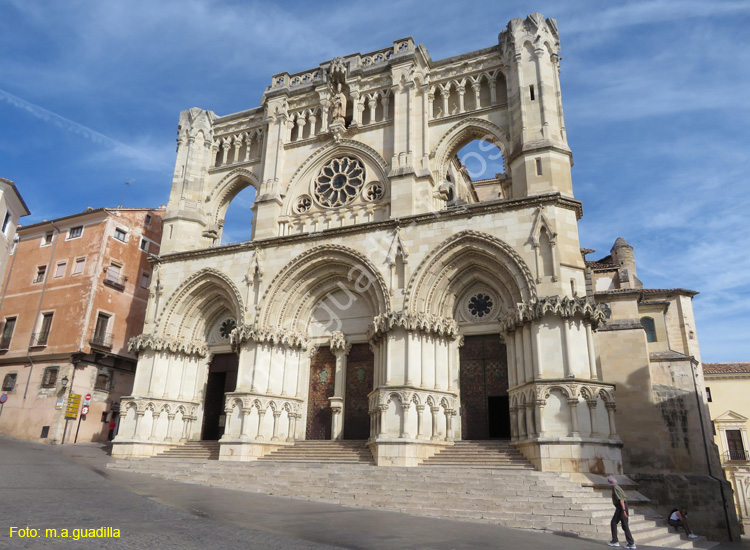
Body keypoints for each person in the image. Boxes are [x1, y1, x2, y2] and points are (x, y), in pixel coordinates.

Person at [607, 475, 636, 549]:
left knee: (613, 522)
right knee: (625, 525)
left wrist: (623, 511)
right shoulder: (617, 487)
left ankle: (615, 541)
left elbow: (621, 500)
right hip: (624, 507)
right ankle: (631, 543)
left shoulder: (615, 487)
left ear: (611, 482)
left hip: (621, 507)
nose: (608, 483)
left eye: (608, 482)